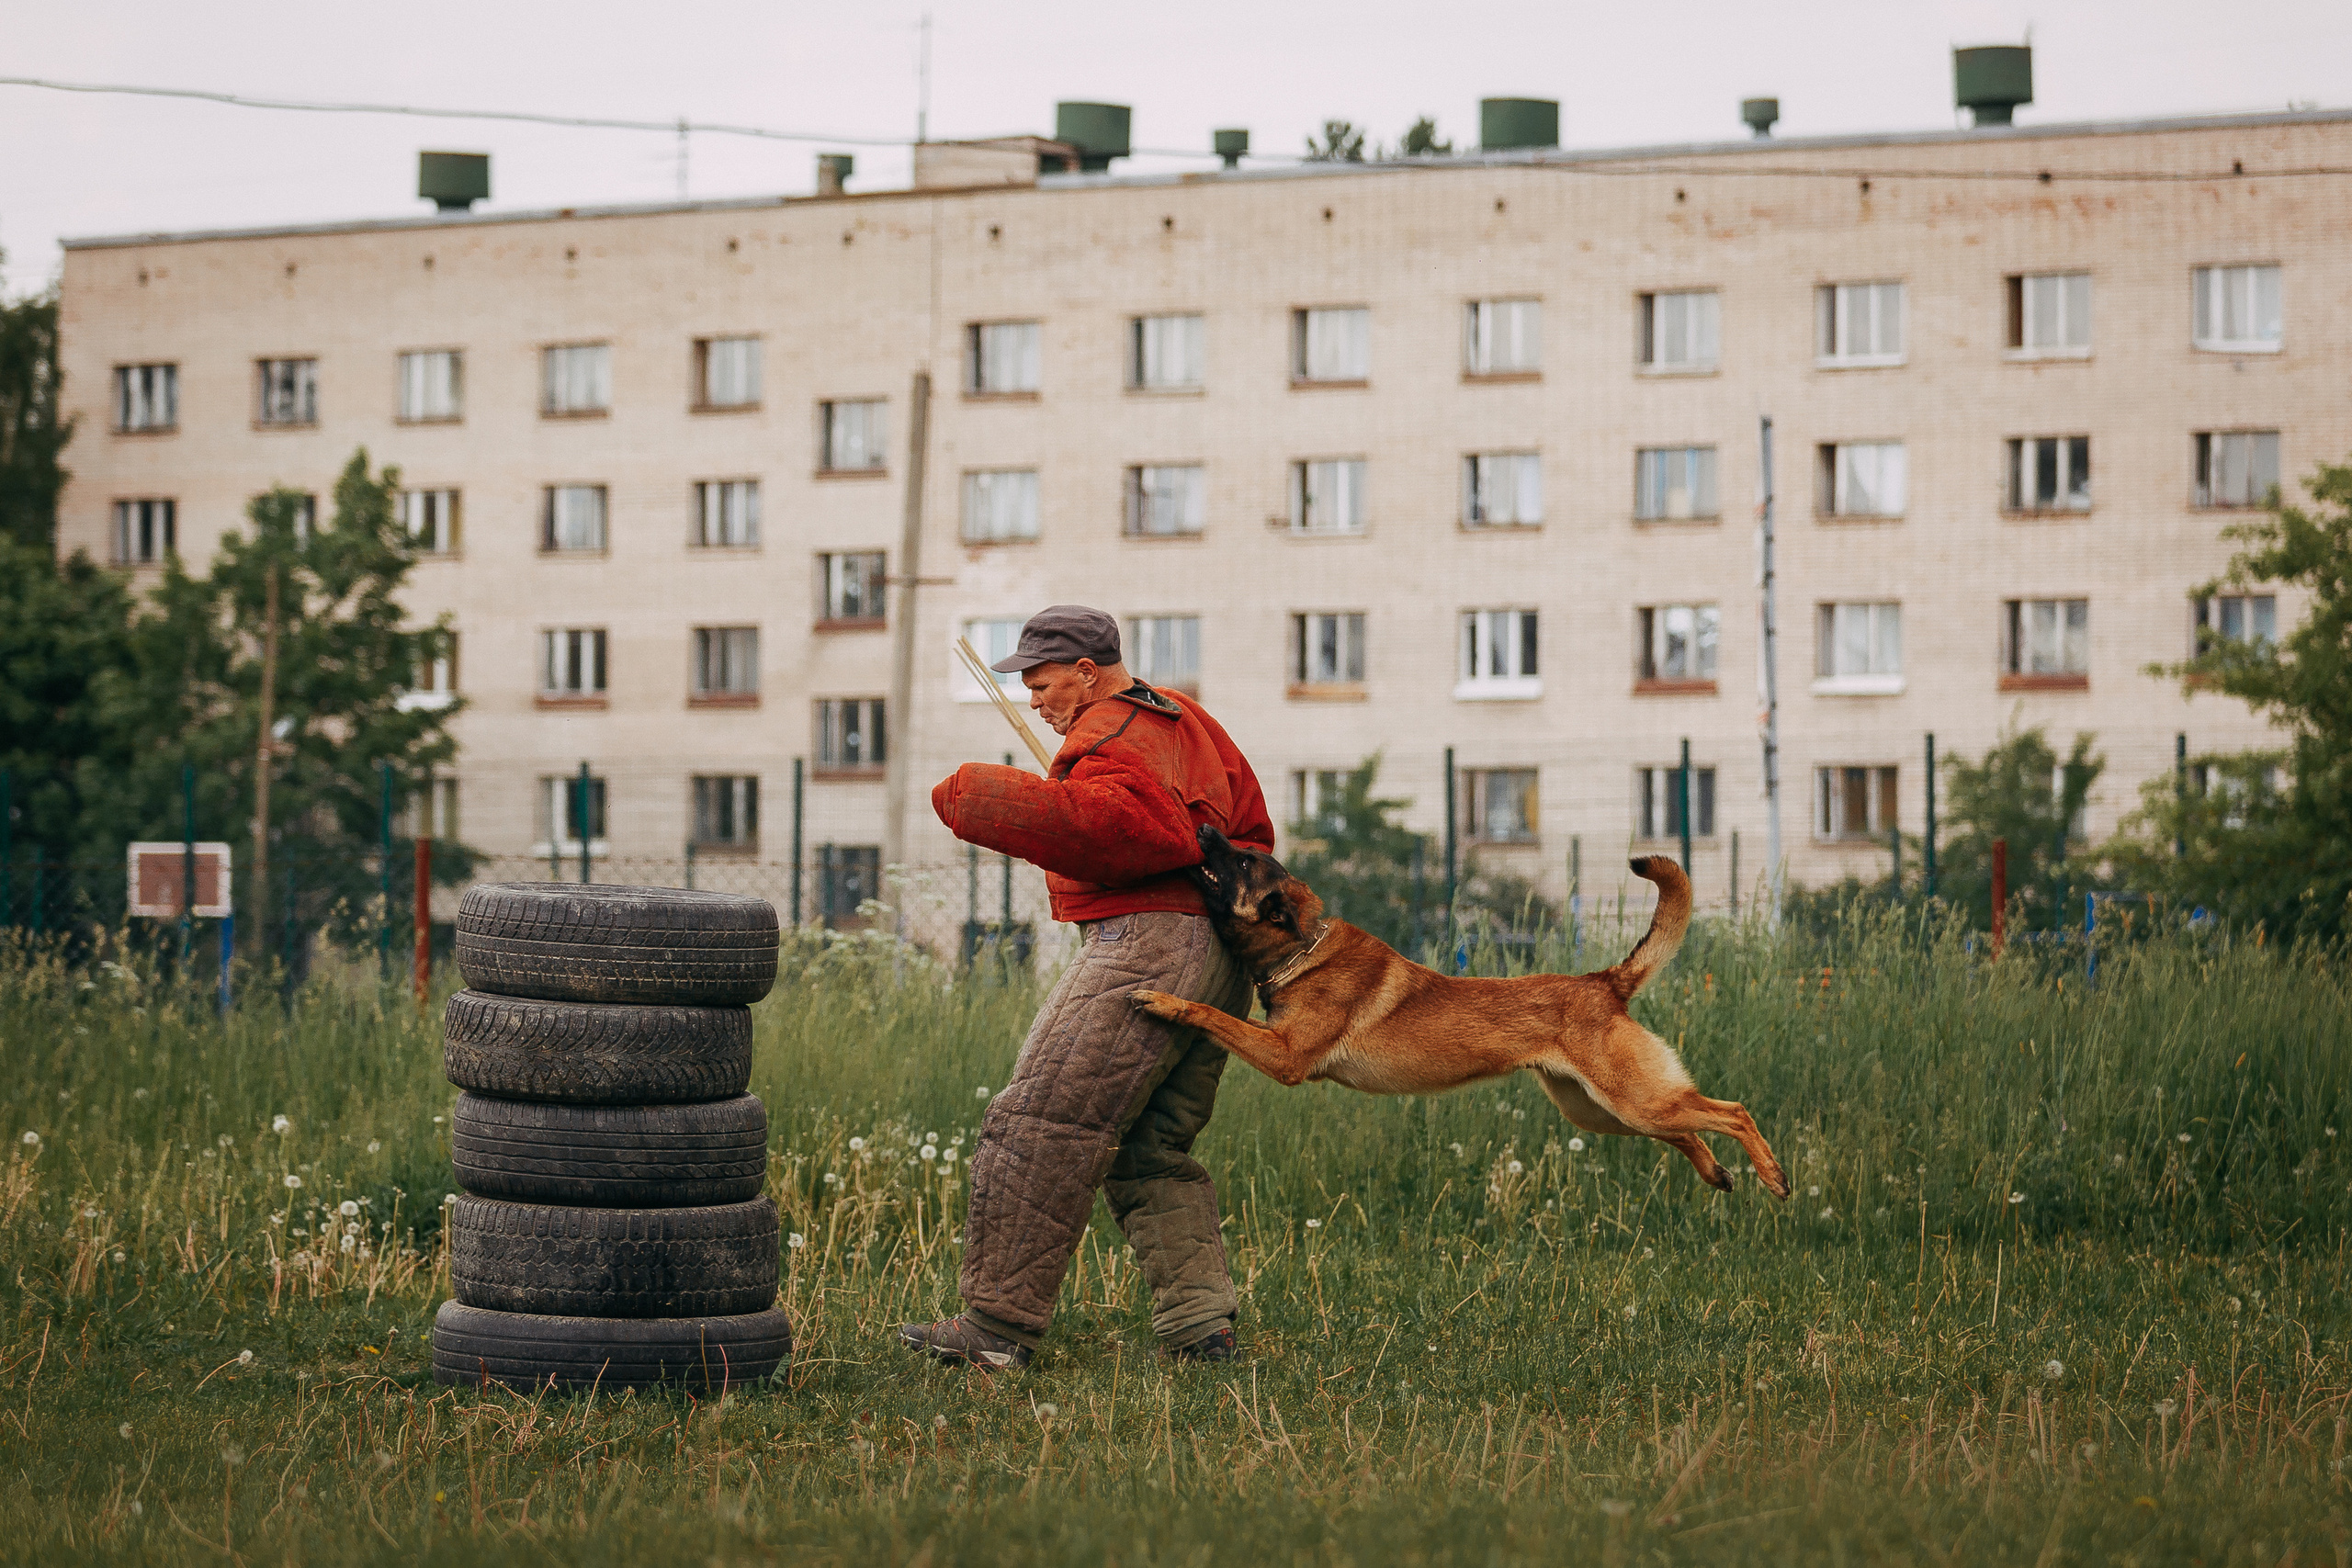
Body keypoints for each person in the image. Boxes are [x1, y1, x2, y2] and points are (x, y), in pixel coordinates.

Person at [901, 604, 1273, 1370]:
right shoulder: (1188, 720)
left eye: (1041, 683)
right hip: (1224, 953)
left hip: (1148, 944)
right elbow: (1254, 835)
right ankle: (1202, 1329)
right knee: (1149, 1144)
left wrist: (982, 797)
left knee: (1041, 1122)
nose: (1034, 700)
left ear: (1085, 671)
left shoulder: (1110, 731)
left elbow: (1128, 829)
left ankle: (995, 1332)